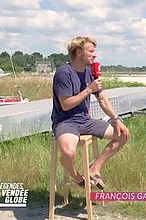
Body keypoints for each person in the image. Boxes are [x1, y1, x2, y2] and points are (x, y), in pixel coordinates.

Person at [51, 36, 130, 189]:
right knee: (68, 152)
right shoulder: (63, 73)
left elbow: (102, 99)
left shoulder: (90, 72)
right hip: (65, 121)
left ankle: (95, 169)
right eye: (91, 51)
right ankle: (77, 177)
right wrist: (88, 90)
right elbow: (66, 105)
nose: (94, 55)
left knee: (123, 135)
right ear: (79, 52)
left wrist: (117, 119)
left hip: (85, 120)